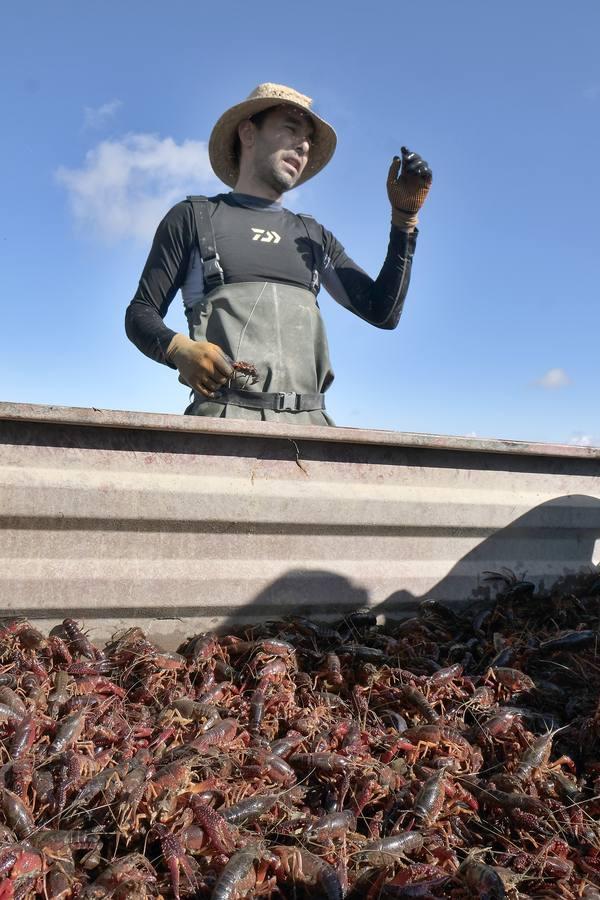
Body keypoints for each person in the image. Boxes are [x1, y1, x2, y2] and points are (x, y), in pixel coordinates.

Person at [125, 83, 432, 425]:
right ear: (248, 132)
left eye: (308, 141)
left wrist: (404, 221)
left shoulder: (312, 236)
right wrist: (179, 349)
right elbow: (141, 312)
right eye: (290, 129)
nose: (302, 146)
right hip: (224, 430)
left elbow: (382, 312)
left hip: (311, 430)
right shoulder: (193, 218)